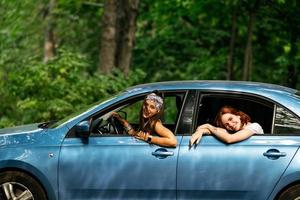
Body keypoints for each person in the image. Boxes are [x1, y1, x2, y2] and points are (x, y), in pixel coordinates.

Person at [112, 93, 177, 148]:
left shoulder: (155, 123)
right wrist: (121, 120)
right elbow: (132, 132)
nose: (147, 108)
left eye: (152, 107)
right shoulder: (147, 121)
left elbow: (173, 142)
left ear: (157, 111)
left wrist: (148, 138)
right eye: (146, 104)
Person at [190, 106, 264, 146]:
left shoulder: (254, 126)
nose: (231, 124)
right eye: (227, 125)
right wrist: (201, 131)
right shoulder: (233, 131)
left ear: (238, 115)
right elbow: (214, 130)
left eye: (230, 119)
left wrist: (208, 126)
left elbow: (229, 139)